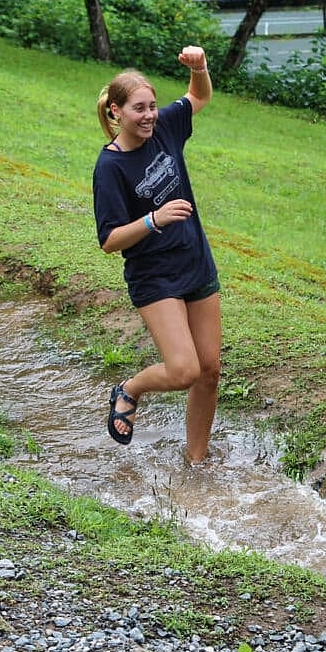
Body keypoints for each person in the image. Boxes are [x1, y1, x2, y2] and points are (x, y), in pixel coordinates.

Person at [92, 46, 221, 464]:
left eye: (151, 106)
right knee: (184, 370)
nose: (148, 116)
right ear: (116, 112)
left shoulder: (164, 127)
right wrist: (155, 219)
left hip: (195, 262)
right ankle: (130, 389)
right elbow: (110, 240)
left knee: (210, 371)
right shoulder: (110, 167)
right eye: (137, 109)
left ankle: (195, 463)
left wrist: (198, 68)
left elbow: (198, 97)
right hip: (155, 277)